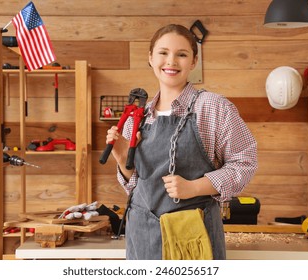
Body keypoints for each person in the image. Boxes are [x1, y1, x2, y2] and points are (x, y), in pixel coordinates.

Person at [105, 24, 258, 260]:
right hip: (142, 239)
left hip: (192, 239)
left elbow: (244, 162)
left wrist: (194, 187)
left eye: (182, 54)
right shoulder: (137, 117)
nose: (171, 61)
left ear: (193, 61)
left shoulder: (213, 107)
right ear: (150, 58)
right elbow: (134, 185)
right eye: (163, 53)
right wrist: (124, 160)